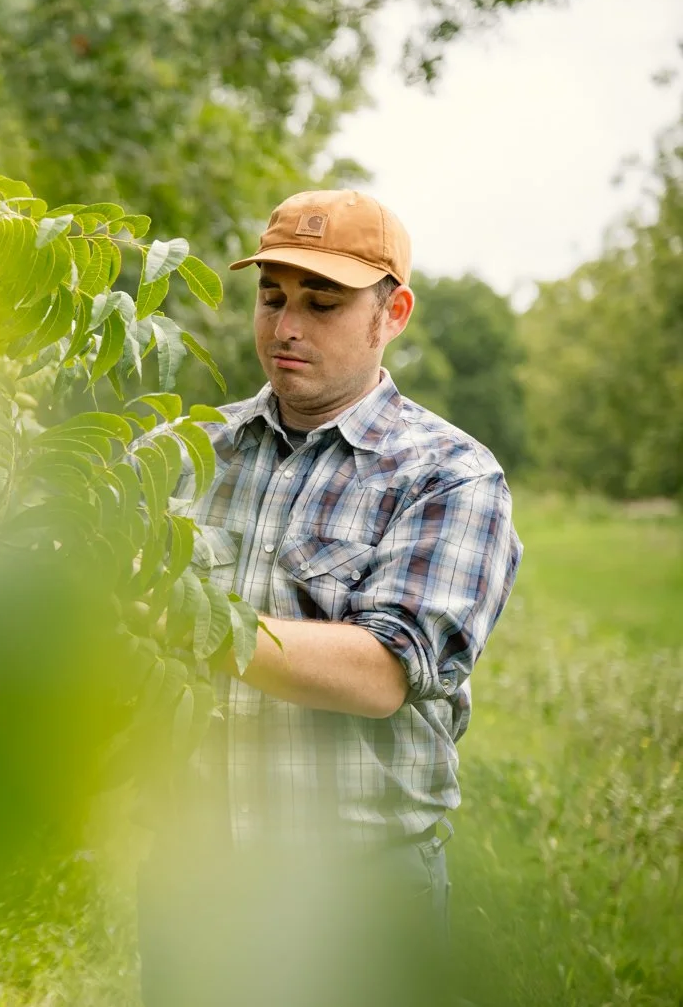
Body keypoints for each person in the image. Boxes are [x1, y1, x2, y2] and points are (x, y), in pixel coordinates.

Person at [138, 189, 523, 1006]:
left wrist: (188, 619)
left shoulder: (447, 473)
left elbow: (383, 671)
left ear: (394, 312)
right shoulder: (187, 451)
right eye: (272, 296)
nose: (286, 327)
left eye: (323, 302)